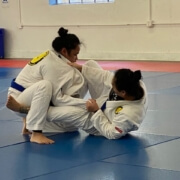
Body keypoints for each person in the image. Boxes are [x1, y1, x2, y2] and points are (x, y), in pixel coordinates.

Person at [7, 60, 148, 140]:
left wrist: (96, 112)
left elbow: (111, 133)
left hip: (98, 122)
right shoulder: (134, 83)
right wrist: (80, 68)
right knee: (91, 65)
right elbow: (106, 77)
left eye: (114, 86)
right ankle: (56, 103)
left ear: (123, 92)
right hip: (105, 101)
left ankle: (25, 110)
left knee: (62, 112)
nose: (112, 85)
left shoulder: (130, 116)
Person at [6, 27, 89, 144]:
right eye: (75, 54)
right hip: (19, 99)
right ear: (64, 51)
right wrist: (86, 104)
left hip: (28, 96)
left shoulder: (55, 57)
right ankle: (36, 132)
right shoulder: (53, 64)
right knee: (45, 86)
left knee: (71, 127)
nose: (77, 58)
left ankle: (29, 121)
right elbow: (58, 99)